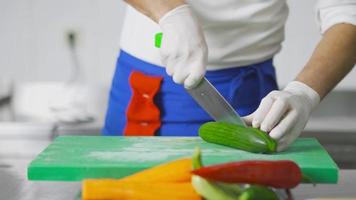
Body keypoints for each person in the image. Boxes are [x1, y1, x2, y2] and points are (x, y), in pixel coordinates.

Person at [103, 0, 356, 151]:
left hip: (249, 97)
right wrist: (171, 13)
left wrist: (304, 92)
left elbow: (348, 12)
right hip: (142, 84)